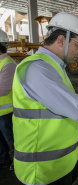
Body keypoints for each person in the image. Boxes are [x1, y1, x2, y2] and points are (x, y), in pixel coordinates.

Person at [12, 12, 78, 185]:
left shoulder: (53, 67)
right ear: (61, 40)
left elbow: (66, 105)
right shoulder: (37, 69)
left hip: (60, 166)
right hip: (41, 173)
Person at [0, 29, 17, 171]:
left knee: (13, 139)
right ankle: (4, 159)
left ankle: (18, 161)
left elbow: (2, 90)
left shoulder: (8, 64)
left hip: (7, 112)